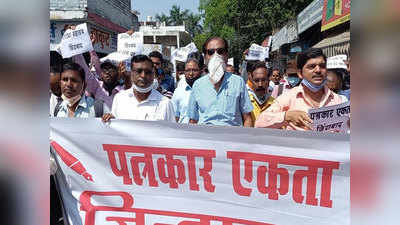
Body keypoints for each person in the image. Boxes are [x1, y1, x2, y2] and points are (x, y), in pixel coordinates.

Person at [255, 48, 344, 130]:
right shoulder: (288, 98)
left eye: (322, 66)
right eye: (311, 66)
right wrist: (286, 116)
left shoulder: (338, 100)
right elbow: (259, 123)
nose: (318, 70)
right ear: (300, 73)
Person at [187, 36, 253, 127]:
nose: (216, 56)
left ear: (226, 55)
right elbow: (193, 120)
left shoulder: (238, 82)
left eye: (220, 51)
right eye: (210, 52)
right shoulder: (198, 85)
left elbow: (247, 118)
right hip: (206, 137)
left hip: (232, 138)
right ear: (205, 57)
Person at [102, 55, 175, 122]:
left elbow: (171, 133)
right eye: (139, 71)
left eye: (148, 72)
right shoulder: (120, 98)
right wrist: (110, 120)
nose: (143, 75)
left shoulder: (165, 103)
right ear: (131, 73)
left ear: (153, 74)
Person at [72, 31, 125, 109]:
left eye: (111, 68)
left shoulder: (125, 91)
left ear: (118, 71)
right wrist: (77, 44)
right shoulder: (97, 86)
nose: (107, 72)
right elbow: (83, 67)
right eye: (104, 69)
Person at [172, 57, 203, 123]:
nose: (191, 74)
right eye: (188, 70)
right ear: (184, 72)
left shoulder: (207, 90)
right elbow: (175, 116)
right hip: (183, 131)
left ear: (201, 71)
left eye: (194, 70)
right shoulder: (178, 91)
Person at [247, 61, 275, 127]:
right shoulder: (244, 102)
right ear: (251, 80)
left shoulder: (276, 103)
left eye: (263, 80)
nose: (260, 84)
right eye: (256, 80)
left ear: (268, 81)